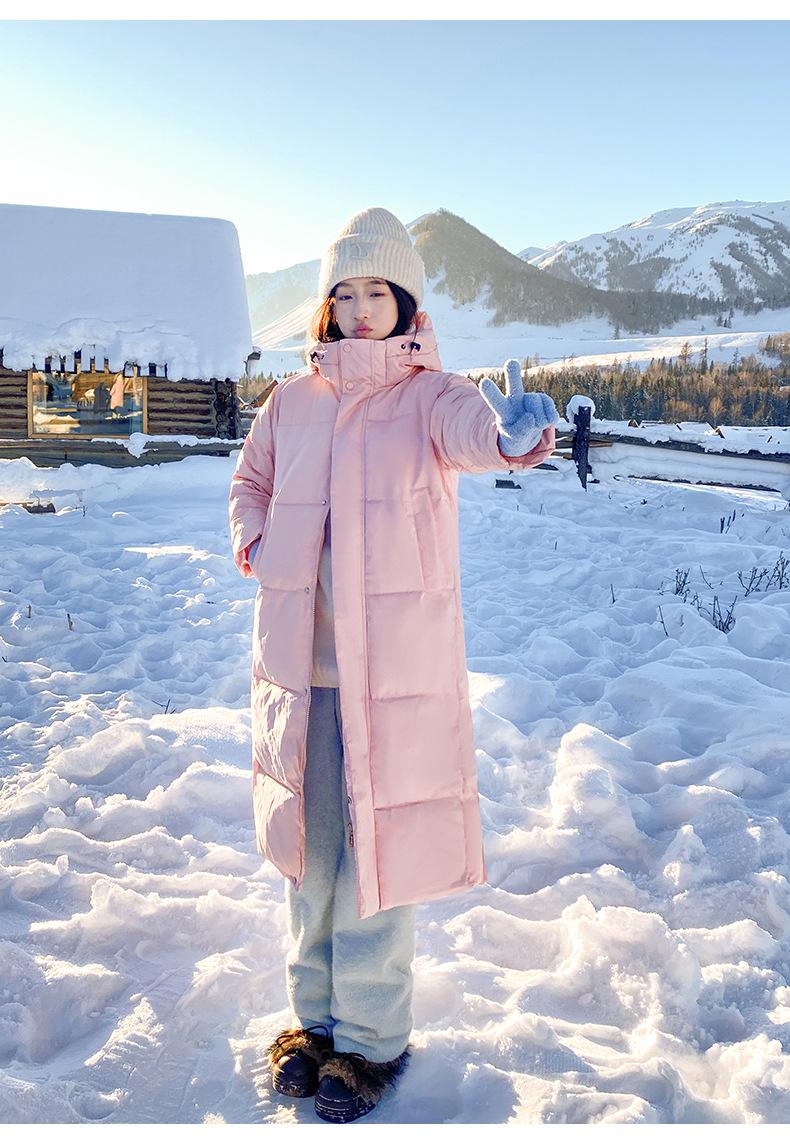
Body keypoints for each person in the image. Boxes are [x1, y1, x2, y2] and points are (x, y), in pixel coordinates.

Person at [228, 207, 559, 1123]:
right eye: (345, 293)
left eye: (378, 290)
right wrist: (257, 540)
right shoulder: (291, 401)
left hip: (390, 681)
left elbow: (479, 437)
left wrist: (512, 436)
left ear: (406, 301)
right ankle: (314, 1027)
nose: (361, 307)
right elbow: (249, 481)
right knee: (310, 861)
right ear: (327, 306)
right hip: (301, 671)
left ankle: (371, 1041)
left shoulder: (431, 395)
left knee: (376, 864)